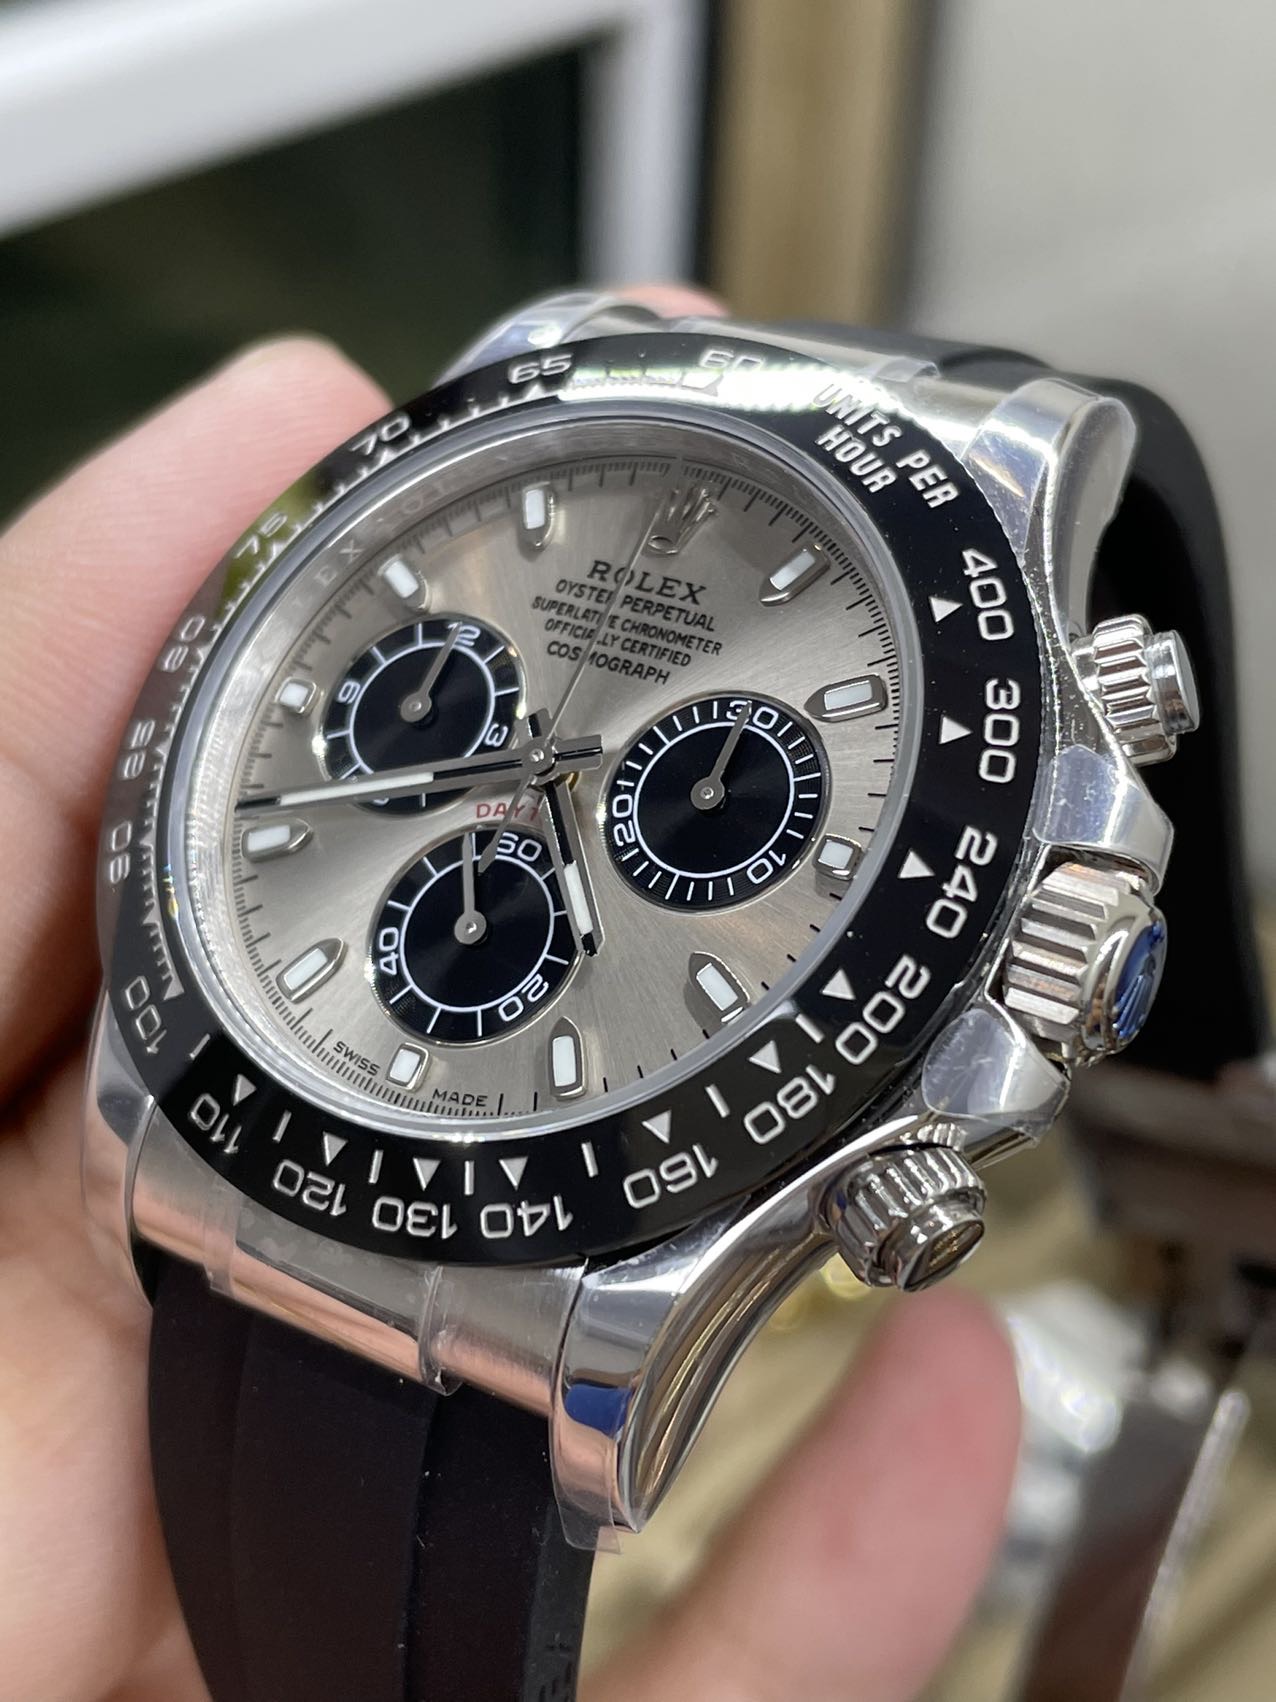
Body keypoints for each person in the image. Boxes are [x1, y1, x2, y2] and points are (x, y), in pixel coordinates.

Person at [0, 286, 1020, 1702]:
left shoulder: (1012, 464)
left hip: (562, 1277)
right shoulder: (531, 386)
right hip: (245, 1132)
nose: (549, 761)